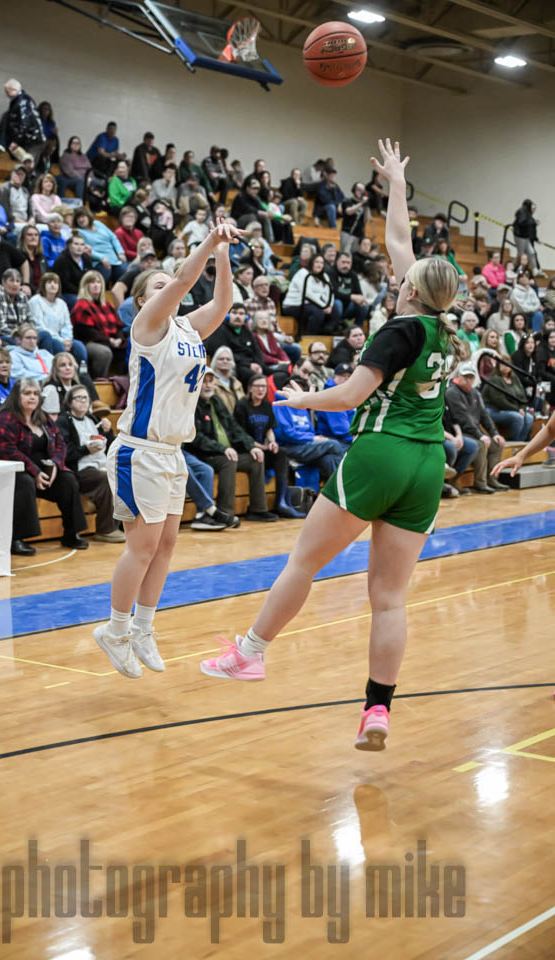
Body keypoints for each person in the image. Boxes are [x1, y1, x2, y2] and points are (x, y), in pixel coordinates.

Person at [199, 139, 462, 756]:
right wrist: (397, 183)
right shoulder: (445, 330)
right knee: (389, 599)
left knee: (303, 562)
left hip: (381, 453)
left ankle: (251, 652)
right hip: (428, 463)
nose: (397, 270)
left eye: (404, 275)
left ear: (411, 289)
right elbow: (400, 241)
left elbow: (348, 397)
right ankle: (377, 710)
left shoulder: (398, 330)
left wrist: (299, 399)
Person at [94, 219, 240, 680]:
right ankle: (115, 630)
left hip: (172, 451)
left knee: (166, 546)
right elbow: (181, 281)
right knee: (142, 548)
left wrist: (223, 255)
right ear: (144, 299)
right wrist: (210, 240)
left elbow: (223, 303)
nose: (169, 287)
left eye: (167, 283)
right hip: (139, 451)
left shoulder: (187, 329)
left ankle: (142, 628)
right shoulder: (148, 325)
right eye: (157, 285)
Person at [0, 378, 88, 555]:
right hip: (14, 473)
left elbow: (60, 443)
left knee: (68, 479)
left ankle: (71, 533)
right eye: (27, 393)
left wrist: (56, 464)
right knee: (25, 482)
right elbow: (5, 450)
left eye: (35, 393)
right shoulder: (4, 419)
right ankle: (16, 539)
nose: (32, 397)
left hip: (45, 471)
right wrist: (34, 471)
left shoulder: (43, 417)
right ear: (16, 396)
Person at [185, 368, 277, 523]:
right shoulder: (192, 404)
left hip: (225, 451)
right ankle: (224, 512)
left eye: (210, 381)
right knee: (229, 461)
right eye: (204, 382)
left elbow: (234, 427)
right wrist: (223, 449)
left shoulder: (216, 401)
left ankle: (258, 510)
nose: (208, 385)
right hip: (205, 454)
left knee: (256, 459)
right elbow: (196, 438)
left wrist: (251, 446)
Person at [56, 386, 125, 543]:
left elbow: (110, 444)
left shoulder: (93, 419)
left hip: (100, 463)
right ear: (69, 402)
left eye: (85, 398)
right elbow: (65, 452)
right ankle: (106, 529)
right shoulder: (64, 421)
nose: (83, 401)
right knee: (105, 478)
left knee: (124, 473)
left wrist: (108, 431)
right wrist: (86, 449)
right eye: (78, 398)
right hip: (79, 468)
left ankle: (122, 523)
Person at [234, 373, 305, 518]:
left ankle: (282, 502)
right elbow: (240, 434)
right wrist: (259, 447)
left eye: (264, 386)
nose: (261, 389)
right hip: (246, 449)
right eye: (257, 386)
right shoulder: (242, 405)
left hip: (262, 448)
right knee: (259, 457)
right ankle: (257, 508)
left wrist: (272, 442)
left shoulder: (267, 405)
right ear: (250, 388)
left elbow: (269, 429)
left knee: (282, 454)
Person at [445, 362, 507, 493]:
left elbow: (485, 415)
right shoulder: (452, 392)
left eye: (471, 377)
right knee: (480, 444)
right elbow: (463, 419)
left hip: (474, 431)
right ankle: (480, 483)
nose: (468, 380)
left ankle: (492, 479)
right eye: (465, 376)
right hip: (461, 432)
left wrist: (494, 433)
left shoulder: (475, 393)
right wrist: (480, 435)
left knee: (497, 444)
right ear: (458, 376)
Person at [71, 270, 125, 377]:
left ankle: (120, 380)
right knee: (103, 352)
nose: (96, 285)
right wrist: (109, 340)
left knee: (129, 347)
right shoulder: (82, 305)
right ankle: (99, 381)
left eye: (98, 282)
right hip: (88, 342)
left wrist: (119, 338)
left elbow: (119, 326)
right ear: (85, 286)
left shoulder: (107, 305)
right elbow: (86, 331)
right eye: (92, 282)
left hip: (109, 341)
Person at [29, 272, 86, 364]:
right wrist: (61, 340)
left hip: (63, 339)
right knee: (58, 345)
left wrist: (67, 339)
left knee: (79, 347)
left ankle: (81, 372)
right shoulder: (35, 301)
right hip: (44, 338)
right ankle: (59, 370)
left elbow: (67, 325)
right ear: (43, 285)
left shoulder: (62, 303)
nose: (53, 285)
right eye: (49, 282)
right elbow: (39, 326)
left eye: (55, 283)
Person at [204, 303, 267, 386]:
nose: (237, 316)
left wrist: (259, 365)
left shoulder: (247, 331)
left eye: (241, 313)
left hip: (252, 365)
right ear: (228, 315)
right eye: (234, 313)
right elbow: (222, 354)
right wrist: (249, 365)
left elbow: (257, 351)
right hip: (236, 366)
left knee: (279, 374)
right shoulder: (219, 330)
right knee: (257, 378)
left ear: (246, 317)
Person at [282, 253, 340, 337]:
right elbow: (308, 294)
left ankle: (325, 333)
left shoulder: (324, 276)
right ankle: (311, 337)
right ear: (311, 263)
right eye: (317, 262)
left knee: (335, 309)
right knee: (317, 312)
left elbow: (330, 292)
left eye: (321, 263)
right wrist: (323, 306)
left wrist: (329, 305)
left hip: (313, 305)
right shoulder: (302, 273)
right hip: (293, 305)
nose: (319, 265)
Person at [481, 358, 533, 442]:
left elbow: (522, 397)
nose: (505, 366)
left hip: (512, 409)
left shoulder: (514, 378)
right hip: (493, 409)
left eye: (507, 364)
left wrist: (522, 409)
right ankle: (513, 442)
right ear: (498, 366)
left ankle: (521, 443)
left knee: (529, 418)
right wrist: (517, 409)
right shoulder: (495, 379)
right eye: (503, 364)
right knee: (518, 417)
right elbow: (499, 401)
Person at [72, 206, 126, 284]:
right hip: (98, 262)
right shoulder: (78, 232)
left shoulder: (98, 223)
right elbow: (84, 249)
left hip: (114, 259)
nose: (81, 219)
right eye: (78, 218)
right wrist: (101, 258)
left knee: (125, 278)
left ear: (88, 216)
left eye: (83, 216)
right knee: (104, 275)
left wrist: (120, 252)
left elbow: (113, 237)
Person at [315, 362, 355, 454]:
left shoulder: (347, 394)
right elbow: (341, 429)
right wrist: (358, 440)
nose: (346, 379)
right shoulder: (331, 396)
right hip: (337, 440)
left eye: (349, 376)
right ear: (334, 376)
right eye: (342, 375)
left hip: (346, 438)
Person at [3, 79, 45, 165]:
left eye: (7, 91)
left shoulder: (22, 102)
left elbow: (24, 124)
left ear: (14, 90)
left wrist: (16, 140)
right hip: (29, 138)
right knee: (24, 164)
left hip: (31, 139)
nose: (6, 94)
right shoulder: (20, 100)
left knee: (27, 165)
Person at [53, 232, 93, 309]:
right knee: (79, 302)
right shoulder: (62, 260)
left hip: (84, 292)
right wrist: (82, 292)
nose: (79, 247)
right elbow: (64, 283)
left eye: (82, 244)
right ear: (69, 246)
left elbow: (91, 276)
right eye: (76, 244)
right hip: (67, 293)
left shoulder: (86, 258)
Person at [210, 345, 245, 413]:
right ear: (215, 361)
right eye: (221, 359)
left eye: (228, 359)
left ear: (232, 363)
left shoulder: (237, 383)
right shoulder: (211, 382)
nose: (225, 361)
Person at [0, 164, 34, 233]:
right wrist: (24, 224)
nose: (19, 176)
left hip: (25, 223)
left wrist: (31, 219)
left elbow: (30, 212)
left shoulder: (25, 191)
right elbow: (6, 212)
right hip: (12, 222)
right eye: (17, 173)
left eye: (22, 174)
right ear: (11, 174)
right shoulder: (5, 188)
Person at [340, 181, 371, 254]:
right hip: (347, 232)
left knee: (355, 255)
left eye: (362, 190)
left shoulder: (364, 204)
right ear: (353, 190)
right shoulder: (347, 200)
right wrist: (361, 203)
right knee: (345, 254)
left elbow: (368, 218)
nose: (361, 192)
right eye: (358, 190)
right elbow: (348, 211)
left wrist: (366, 206)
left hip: (359, 234)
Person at [512, 199, 538, 274]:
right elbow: (522, 222)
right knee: (520, 254)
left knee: (531, 252)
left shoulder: (527, 213)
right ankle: (513, 268)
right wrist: (532, 222)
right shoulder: (522, 212)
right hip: (520, 236)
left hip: (525, 236)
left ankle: (535, 269)